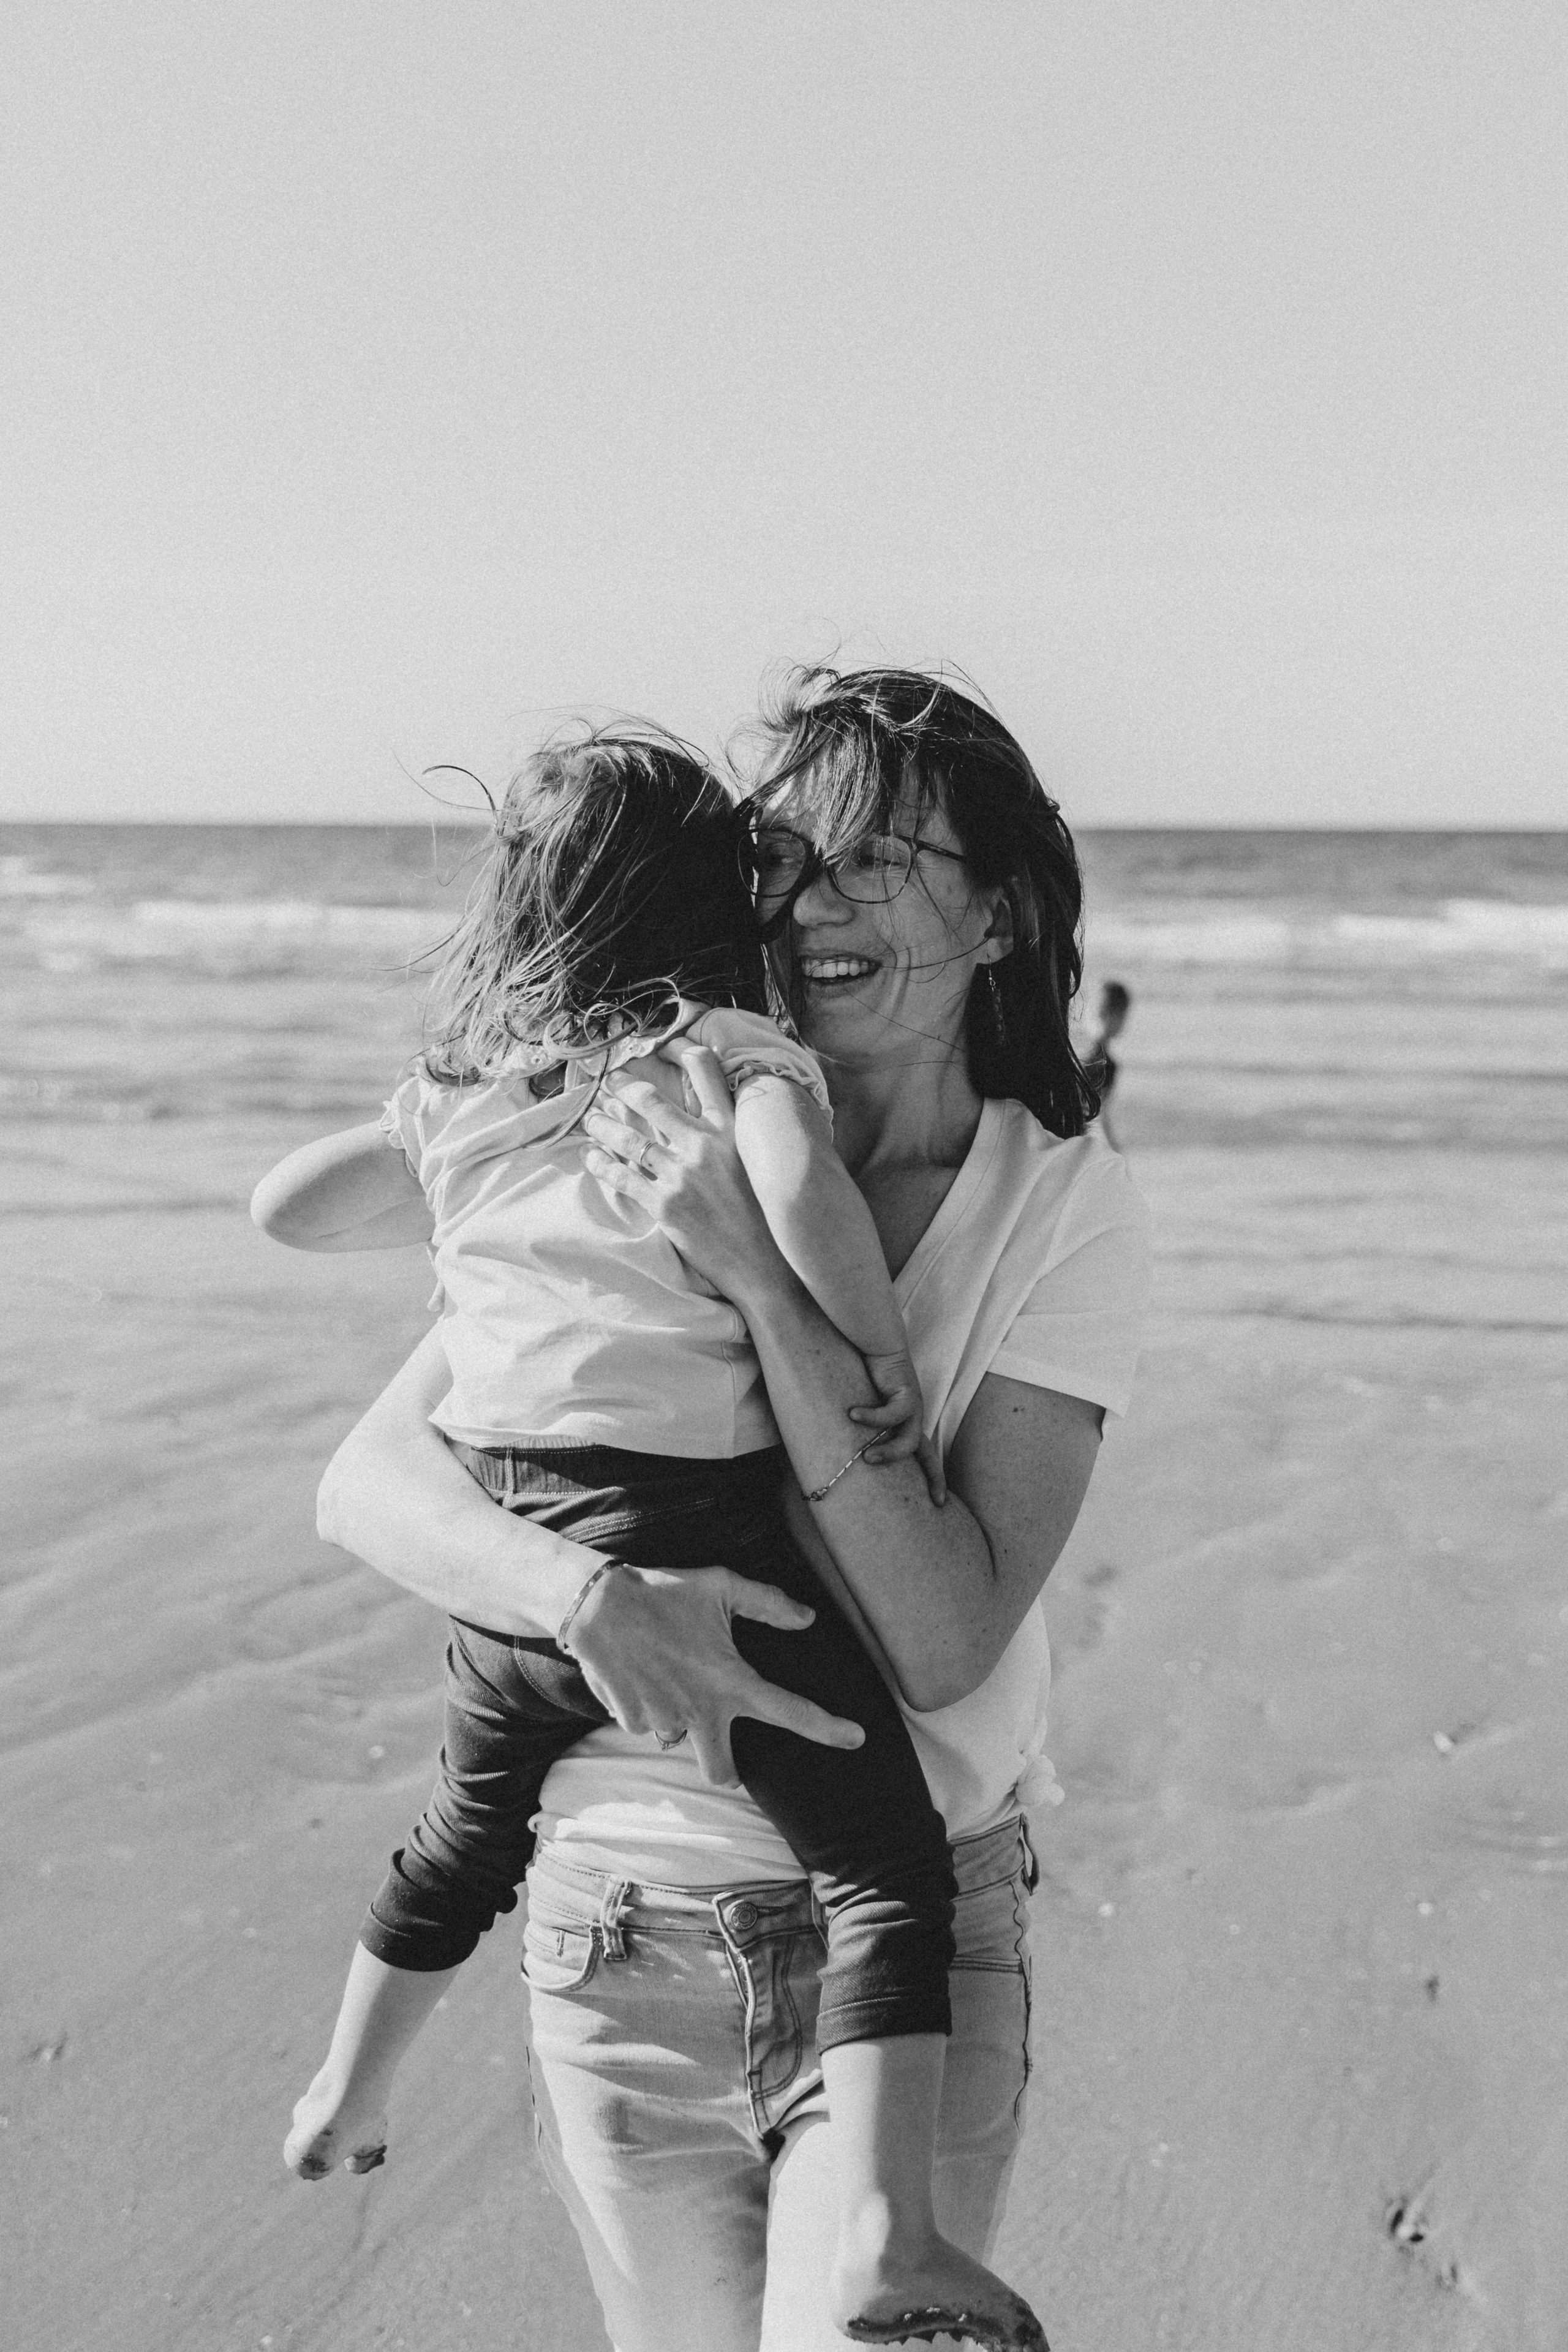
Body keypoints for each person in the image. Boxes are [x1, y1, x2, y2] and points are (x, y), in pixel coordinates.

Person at [306, 670, 1150, 2352]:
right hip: (617, 1927)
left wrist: (762, 1282)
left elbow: (943, 1637)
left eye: (875, 861)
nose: (810, 904)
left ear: (1000, 914)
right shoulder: (630, 1116)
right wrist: (591, 1603)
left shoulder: (1058, 1209)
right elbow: (372, 1484)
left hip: (907, 1947)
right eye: (784, 860)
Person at [1086, 980, 1131, 1151]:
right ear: (1117, 1017)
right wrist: (1116, 1151)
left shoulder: (1073, 1049)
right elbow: (1098, 1117)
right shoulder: (1106, 1065)